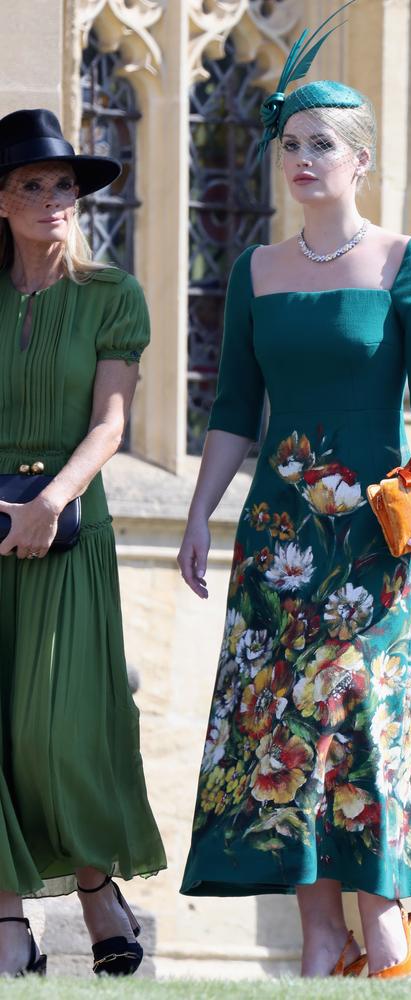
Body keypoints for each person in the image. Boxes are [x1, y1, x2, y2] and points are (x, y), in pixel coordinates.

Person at [178, 6, 411, 980]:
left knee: (364, 710)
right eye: (289, 144)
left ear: (358, 160)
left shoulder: (404, 261)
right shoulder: (255, 269)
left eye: (321, 145)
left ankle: (383, 926)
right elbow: (232, 409)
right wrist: (197, 514)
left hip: (369, 544)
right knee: (281, 724)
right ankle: (317, 940)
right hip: (275, 540)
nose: (301, 159)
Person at [0, 108, 166, 977]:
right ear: (2, 200)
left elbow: (111, 424)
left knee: (59, 735)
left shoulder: (113, 295)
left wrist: (51, 503)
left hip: (68, 532)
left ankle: (99, 889)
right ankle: (8, 927)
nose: (53, 199)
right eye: (32, 185)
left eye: (64, 185)